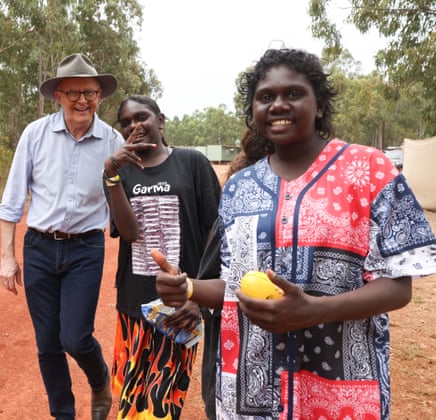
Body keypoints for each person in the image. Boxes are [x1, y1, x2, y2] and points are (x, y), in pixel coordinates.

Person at [154, 48, 436, 419]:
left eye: (293, 94)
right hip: (251, 393)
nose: (278, 105)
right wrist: (188, 288)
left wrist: (314, 311)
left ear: (319, 105)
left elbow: (398, 287)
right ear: (253, 112)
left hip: (340, 392)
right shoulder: (239, 187)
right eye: (265, 97)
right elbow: (236, 286)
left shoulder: (370, 170)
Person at [0, 53, 124, 420]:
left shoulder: (112, 141)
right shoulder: (35, 134)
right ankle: (63, 413)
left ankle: (100, 380)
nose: (82, 101)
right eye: (73, 93)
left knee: (75, 337)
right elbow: (12, 199)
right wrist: (8, 257)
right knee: (48, 343)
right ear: (58, 96)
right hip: (38, 246)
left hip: (86, 248)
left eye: (90, 92)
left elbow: (127, 196)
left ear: (100, 94)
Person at [105, 95, 220, 419]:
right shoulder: (118, 173)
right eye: (125, 122)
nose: (133, 125)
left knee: (161, 403)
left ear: (160, 120)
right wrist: (112, 174)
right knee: (130, 398)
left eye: (141, 117)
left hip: (181, 305)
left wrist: (198, 295)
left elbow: (215, 231)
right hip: (133, 302)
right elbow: (128, 233)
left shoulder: (191, 163)